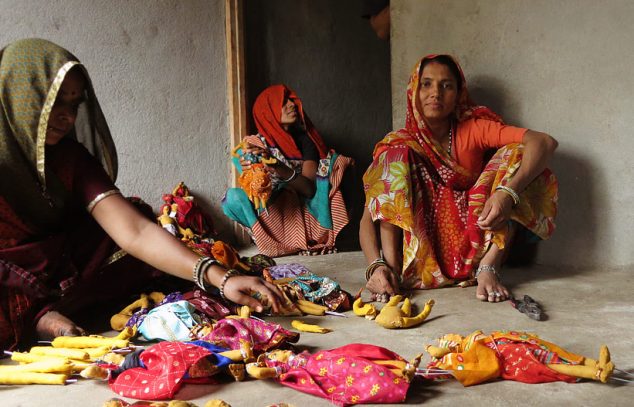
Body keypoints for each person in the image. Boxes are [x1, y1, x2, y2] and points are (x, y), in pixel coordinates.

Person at [0, 38, 283, 350]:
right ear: (18, 98)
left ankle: (40, 313)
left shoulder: (70, 158)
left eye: (73, 105)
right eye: (54, 103)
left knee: (134, 223)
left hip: (55, 261)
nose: (67, 117)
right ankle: (39, 316)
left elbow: (133, 231)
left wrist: (222, 278)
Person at [360, 54, 558, 303]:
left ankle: (489, 268)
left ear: (459, 94)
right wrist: (375, 266)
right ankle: (390, 272)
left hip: (475, 234)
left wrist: (508, 192)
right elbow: (368, 217)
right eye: (427, 84)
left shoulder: (473, 128)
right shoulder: (400, 142)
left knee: (521, 155)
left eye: (447, 85)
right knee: (392, 155)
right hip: (421, 251)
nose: (436, 93)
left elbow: (544, 142)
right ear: (413, 91)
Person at [222, 85, 353, 257]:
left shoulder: (306, 141)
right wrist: (252, 169)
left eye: (292, 100)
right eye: (283, 102)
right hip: (274, 213)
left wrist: (277, 166)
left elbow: (309, 189)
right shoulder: (254, 145)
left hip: (304, 211)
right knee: (232, 198)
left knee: (337, 176)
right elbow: (258, 190)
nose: (292, 104)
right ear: (267, 111)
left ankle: (306, 240)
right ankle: (271, 242)